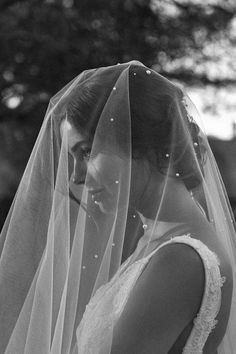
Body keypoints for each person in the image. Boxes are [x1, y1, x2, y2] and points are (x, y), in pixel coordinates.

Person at [0, 61, 235, 353]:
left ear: (139, 141)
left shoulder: (180, 259)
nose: (76, 176)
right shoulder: (156, 244)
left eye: (86, 151)